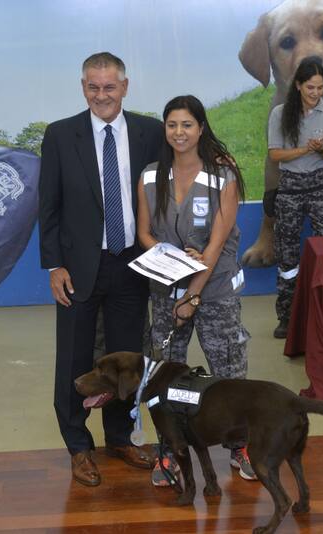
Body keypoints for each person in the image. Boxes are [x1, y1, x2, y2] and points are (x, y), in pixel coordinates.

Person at [38, 52, 164, 487]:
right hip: (77, 270)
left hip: (132, 266)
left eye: (110, 87)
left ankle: (120, 438)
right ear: (83, 87)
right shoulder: (59, 135)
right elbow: (48, 206)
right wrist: (54, 265)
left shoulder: (150, 132)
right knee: (73, 362)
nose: (101, 95)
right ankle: (78, 447)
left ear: (125, 87)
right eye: (93, 86)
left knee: (126, 363)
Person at [136, 95, 255, 484]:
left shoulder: (224, 176)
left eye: (187, 124)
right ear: (165, 130)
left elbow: (216, 247)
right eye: (172, 125)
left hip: (214, 293)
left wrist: (192, 295)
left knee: (229, 372)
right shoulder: (151, 176)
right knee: (163, 375)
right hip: (166, 293)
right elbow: (143, 233)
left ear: (200, 128)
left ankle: (242, 448)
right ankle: (169, 454)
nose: (179, 132)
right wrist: (169, 256)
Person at [268, 58, 323, 339]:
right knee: (287, 255)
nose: (316, 93)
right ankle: (286, 317)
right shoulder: (280, 114)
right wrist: (304, 150)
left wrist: (321, 151)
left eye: (320, 88)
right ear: (298, 85)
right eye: (310, 87)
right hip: (289, 188)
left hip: (320, 186)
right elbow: (275, 154)